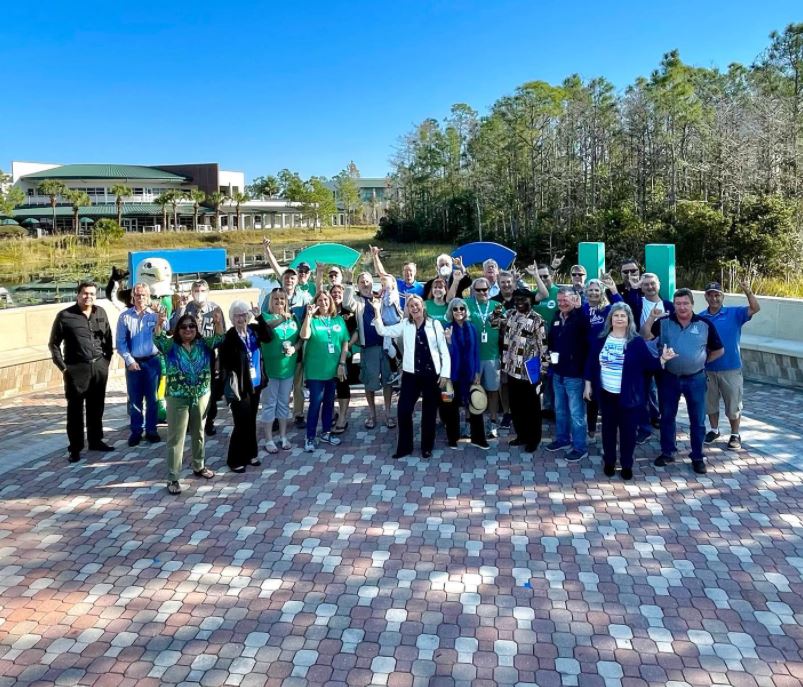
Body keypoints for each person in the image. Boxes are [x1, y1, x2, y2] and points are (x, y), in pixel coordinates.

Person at [584, 303, 677, 480]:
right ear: (610, 319)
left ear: (629, 320)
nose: (619, 318)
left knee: (628, 433)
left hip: (630, 396)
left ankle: (627, 464)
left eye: (623, 316)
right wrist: (588, 385)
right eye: (616, 315)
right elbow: (591, 364)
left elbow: (649, 364)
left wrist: (663, 359)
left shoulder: (636, 342)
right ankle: (609, 462)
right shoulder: (601, 340)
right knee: (608, 431)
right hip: (606, 395)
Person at [644, 288, 724, 474]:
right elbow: (646, 336)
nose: (682, 307)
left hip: (696, 379)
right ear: (674, 305)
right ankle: (668, 452)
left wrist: (702, 362)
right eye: (678, 304)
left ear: (692, 304)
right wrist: (651, 318)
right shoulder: (664, 323)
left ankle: (697, 456)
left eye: (685, 303)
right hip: (669, 378)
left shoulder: (704, 324)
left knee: (697, 420)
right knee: (667, 417)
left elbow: (719, 350)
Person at [153, 309, 224, 495]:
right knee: (176, 437)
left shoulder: (203, 343)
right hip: (177, 396)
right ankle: (173, 477)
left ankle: (199, 465)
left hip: (200, 395)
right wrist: (159, 323)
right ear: (177, 329)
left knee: (199, 431)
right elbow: (157, 341)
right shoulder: (171, 346)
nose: (188, 329)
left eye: (192, 326)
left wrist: (217, 322)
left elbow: (220, 339)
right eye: (183, 327)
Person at [372, 295, 450, 458]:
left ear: (423, 306)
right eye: (410, 306)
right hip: (411, 375)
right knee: (404, 410)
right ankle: (405, 447)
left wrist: (445, 374)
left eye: (417, 305)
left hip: (431, 375)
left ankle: (427, 447)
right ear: (407, 309)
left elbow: (444, 351)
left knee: (429, 413)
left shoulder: (435, 324)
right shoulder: (404, 325)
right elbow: (382, 330)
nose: (414, 308)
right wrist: (376, 310)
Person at [48, 281, 114, 463]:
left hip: (98, 367)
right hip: (76, 369)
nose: (88, 297)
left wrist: (105, 361)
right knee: (75, 411)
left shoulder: (100, 312)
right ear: (78, 294)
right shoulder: (65, 316)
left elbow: (108, 338)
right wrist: (64, 368)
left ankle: (95, 440)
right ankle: (75, 448)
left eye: (92, 293)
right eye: (85, 293)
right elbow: (53, 345)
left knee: (96, 406)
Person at [698, 279, 760, 450]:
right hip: (708, 368)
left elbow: (755, 308)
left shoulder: (734, 313)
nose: (714, 298)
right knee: (710, 404)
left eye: (717, 295)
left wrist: (748, 291)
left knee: (733, 404)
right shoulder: (701, 317)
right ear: (706, 297)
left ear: (722, 296)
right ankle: (714, 430)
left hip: (731, 368)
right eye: (710, 295)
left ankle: (735, 434)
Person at [220, 300, 274, 473]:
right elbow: (225, 363)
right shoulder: (229, 337)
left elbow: (269, 336)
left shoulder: (254, 331)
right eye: (237, 315)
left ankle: (251, 454)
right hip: (240, 386)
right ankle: (234, 459)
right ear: (232, 318)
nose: (241, 318)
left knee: (251, 420)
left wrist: (260, 317)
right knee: (241, 422)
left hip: (256, 384)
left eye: (243, 314)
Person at [170, 279, 227, 436]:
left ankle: (209, 422)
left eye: (202, 290)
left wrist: (219, 360)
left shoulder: (215, 309)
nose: (199, 294)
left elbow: (222, 335)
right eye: (196, 291)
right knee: (190, 390)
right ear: (191, 293)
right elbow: (173, 328)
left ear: (207, 292)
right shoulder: (186, 308)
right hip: (188, 356)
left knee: (210, 392)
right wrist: (180, 309)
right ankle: (189, 422)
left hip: (208, 357)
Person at [626, 273, 675, 443]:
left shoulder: (669, 305)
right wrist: (634, 287)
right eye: (645, 284)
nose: (649, 287)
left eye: (652, 283)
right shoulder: (637, 303)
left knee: (666, 393)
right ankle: (644, 428)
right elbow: (628, 305)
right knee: (642, 393)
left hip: (665, 356)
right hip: (642, 355)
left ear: (659, 284)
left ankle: (665, 426)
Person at [299, 291, 350, 452]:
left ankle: (326, 432)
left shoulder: (338, 320)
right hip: (315, 371)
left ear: (331, 302)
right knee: (315, 403)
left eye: (326, 300)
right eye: (320, 300)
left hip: (333, 369)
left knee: (329, 402)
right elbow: (304, 335)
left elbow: (345, 343)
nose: (323, 303)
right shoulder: (312, 320)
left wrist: (342, 363)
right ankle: (310, 437)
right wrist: (308, 316)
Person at [499, 289, 547, 453]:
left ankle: (533, 440)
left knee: (532, 408)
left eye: (523, 299)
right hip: (512, 368)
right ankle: (522, 436)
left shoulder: (537, 319)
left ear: (531, 301)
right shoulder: (510, 314)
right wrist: (502, 306)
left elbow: (544, 347)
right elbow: (493, 322)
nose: (519, 302)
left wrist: (543, 371)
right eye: (517, 299)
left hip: (530, 371)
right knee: (517, 406)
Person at [546, 286, 590, 462]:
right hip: (558, 372)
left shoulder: (581, 317)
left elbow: (588, 343)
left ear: (574, 299)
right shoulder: (557, 316)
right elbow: (552, 339)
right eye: (559, 300)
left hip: (575, 374)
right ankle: (563, 439)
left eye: (566, 300)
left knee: (576, 413)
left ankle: (580, 447)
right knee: (560, 410)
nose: (562, 303)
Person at [116, 282, 162, 447]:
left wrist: (161, 319)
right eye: (137, 295)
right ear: (132, 297)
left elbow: (167, 332)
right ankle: (136, 431)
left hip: (152, 361)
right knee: (135, 399)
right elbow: (120, 342)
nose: (140, 298)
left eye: (143, 295)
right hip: (134, 363)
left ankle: (151, 430)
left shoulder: (155, 314)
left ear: (148, 296)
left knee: (153, 399)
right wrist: (129, 360)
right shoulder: (125, 317)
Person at [441, 297, 489, 450]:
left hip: (469, 373)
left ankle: (478, 438)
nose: (459, 311)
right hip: (453, 374)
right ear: (451, 311)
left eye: (461, 308)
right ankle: (452, 438)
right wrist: (448, 340)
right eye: (455, 309)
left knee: (475, 405)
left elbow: (476, 352)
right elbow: (446, 354)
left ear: (465, 310)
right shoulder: (447, 328)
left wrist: (477, 371)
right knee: (451, 408)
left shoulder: (472, 327)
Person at [351, 271, 395, 429]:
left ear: (372, 283)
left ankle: (388, 413)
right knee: (369, 382)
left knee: (388, 381)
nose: (365, 284)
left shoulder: (380, 297)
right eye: (361, 281)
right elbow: (346, 301)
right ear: (357, 285)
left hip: (385, 346)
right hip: (368, 347)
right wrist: (349, 279)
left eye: (367, 281)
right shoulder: (356, 300)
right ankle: (372, 414)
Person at [259, 289, 301, 453]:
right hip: (270, 369)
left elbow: (299, 340)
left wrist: (294, 349)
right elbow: (266, 329)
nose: (279, 301)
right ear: (270, 301)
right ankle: (268, 439)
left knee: (284, 403)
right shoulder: (265, 317)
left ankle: (283, 436)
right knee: (269, 404)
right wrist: (282, 317)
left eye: (282, 299)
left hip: (287, 368)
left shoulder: (294, 318)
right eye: (275, 298)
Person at [581, 276, 623, 439]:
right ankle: (591, 426)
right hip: (587, 356)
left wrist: (613, 290)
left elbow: (622, 307)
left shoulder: (607, 309)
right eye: (590, 290)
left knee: (605, 392)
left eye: (596, 290)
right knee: (590, 393)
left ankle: (610, 428)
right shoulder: (582, 308)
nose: (593, 293)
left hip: (606, 357)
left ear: (601, 292)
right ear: (586, 292)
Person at [465, 277, 506, 438]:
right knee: (472, 390)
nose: (482, 292)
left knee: (493, 391)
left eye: (485, 289)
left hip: (492, 355)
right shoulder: (467, 305)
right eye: (478, 290)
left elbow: (504, 329)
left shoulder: (497, 306)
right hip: (472, 357)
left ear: (490, 290)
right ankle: (470, 423)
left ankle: (493, 422)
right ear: (473, 291)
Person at [330, 283, 359, 434]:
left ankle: (342, 417)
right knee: (328, 385)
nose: (336, 295)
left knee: (342, 384)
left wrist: (347, 346)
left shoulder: (349, 311)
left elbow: (356, 331)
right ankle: (331, 414)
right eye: (333, 292)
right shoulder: (326, 311)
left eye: (339, 292)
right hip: (327, 355)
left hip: (344, 354)